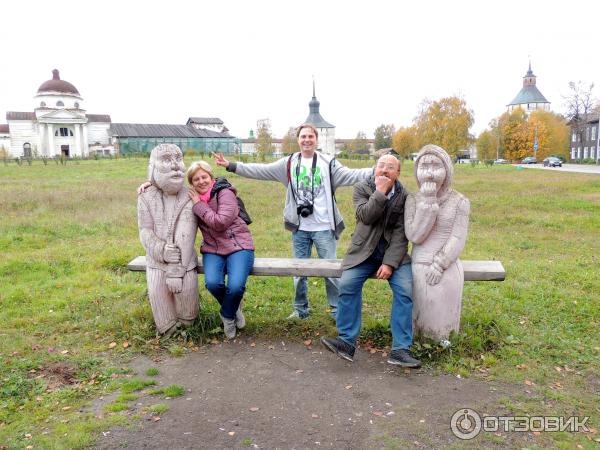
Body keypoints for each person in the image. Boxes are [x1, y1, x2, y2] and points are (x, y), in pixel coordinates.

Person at [214, 123, 371, 320]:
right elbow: (260, 170)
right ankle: (300, 310)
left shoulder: (328, 163)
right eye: (303, 136)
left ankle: (336, 310)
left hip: (324, 227)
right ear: (298, 140)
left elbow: (352, 175)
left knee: (331, 272)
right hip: (300, 227)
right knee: (298, 272)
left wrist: (378, 170)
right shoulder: (288, 164)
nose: (306, 140)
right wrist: (232, 166)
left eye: (310, 137)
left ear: (316, 139)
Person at [320, 154, 421, 368]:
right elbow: (365, 216)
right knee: (347, 285)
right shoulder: (362, 188)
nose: (385, 170)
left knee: (404, 291)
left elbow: (402, 234)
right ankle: (346, 342)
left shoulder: (405, 197)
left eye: (390, 168)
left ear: (398, 173)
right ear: (375, 168)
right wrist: (381, 192)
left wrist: (390, 263)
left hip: (393, 255)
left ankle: (400, 349)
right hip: (363, 252)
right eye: (381, 166)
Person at [404, 145, 470, 341]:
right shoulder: (413, 200)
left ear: (447, 169)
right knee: (419, 310)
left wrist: (440, 264)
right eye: (424, 166)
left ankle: (443, 340)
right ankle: (418, 339)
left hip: (446, 266)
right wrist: (428, 203)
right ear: (416, 171)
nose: (430, 173)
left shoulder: (460, 201)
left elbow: (458, 237)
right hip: (418, 264)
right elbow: (415, 236)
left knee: (442, 320)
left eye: (436, 166)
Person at [186, 161, 255, 339]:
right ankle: (233, 307)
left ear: (211, 177)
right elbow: (168, 187)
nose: (201, 181)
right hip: (212, 248)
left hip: (238, 245)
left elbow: (220, 222)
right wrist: (147, 184)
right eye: (196, 179)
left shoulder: (225, 193)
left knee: (236, 286)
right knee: (213, 283)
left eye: (204, 177)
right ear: (191, 183)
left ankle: (227, 315)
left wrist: (198, 206)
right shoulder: (192, 197)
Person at [137, 144, 200, 337]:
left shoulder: (190, 196)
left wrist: (176, 271)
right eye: (166, 160)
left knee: (188, 314)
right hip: (156, 263)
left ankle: (189, 329)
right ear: (152, 167)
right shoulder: (146, 196)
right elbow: (144, 230)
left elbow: (186, 236)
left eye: (178, 159)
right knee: (165, 321)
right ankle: (169, 331)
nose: (175, 166)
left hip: (184, 263)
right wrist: (161, 250)